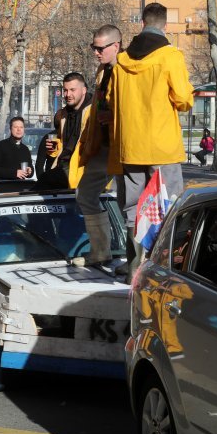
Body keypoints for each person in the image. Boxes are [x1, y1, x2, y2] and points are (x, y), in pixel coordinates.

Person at [108, 3, 193, 278]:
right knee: (168, 206)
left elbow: (110, 99)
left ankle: (134, 265)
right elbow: (182, 99)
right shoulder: (171, 56)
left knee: (133, 208)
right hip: (162, 146)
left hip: (130, 145)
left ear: (142, 23)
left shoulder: (121, 60)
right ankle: (163, 267)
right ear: (165, 26)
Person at [78, 24, 123, 269]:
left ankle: (137, 262)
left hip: (123, 147)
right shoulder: (102, 70)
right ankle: (100, 251)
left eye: (100, 48)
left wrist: (113, 117)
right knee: (85, 194)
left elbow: (136, 110)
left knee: (130, 203)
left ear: (115, 45)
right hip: (103, 145)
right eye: (93, 47)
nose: (96, 52)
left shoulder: (127, 70)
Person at [37, 72, 92, 190]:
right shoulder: (64, 114)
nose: (68, 94)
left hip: (85, 172)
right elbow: (64, 144)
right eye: (65, 90)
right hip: (65, 167)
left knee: (43, 184)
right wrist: (54, 149)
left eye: (72, 90)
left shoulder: (93, 111)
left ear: (84, 90)